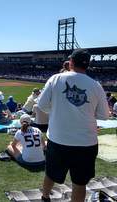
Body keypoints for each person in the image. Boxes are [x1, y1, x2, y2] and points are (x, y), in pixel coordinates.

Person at [38, 49, 110, 202]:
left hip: (58, 139)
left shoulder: (55, 79)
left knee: (50, 174)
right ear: (88, 65)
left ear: (71, 62)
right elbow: (104, 115)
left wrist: (58, 109)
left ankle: (45, 198)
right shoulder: (96, 86)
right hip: (86, 142)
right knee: (79, 183)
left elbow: (41, 105)